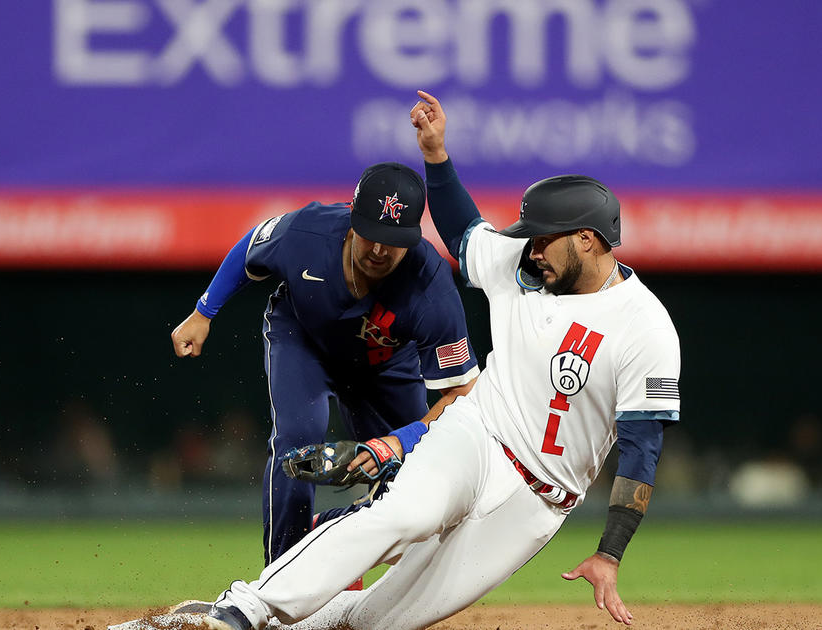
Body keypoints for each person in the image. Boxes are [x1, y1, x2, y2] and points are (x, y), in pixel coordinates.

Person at [131, 91, 682, 630]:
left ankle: (231, 621)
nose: (530, 248)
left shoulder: (645, 327)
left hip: (538, 505)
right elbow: (464, 229)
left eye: (542, 239)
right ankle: (242, 610)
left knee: (378, 619)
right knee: (403, 514)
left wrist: (610, 552)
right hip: (477, 436)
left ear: (587, 240)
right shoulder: (520, 264)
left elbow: (642, 448)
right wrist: (436, 156)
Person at [170, 162, 480, 566]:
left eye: (395, 239)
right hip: (304, 340)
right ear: (352, 219)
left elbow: (461, 392)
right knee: (297, 446)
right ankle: (280, 577)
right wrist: (204, 311)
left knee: (417, 487)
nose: (381, 250)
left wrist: (399, 442)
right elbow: (250, 250)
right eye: (373, 234)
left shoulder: (430, 285)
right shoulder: (308, 233)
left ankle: (323, 532)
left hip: (385, 365)